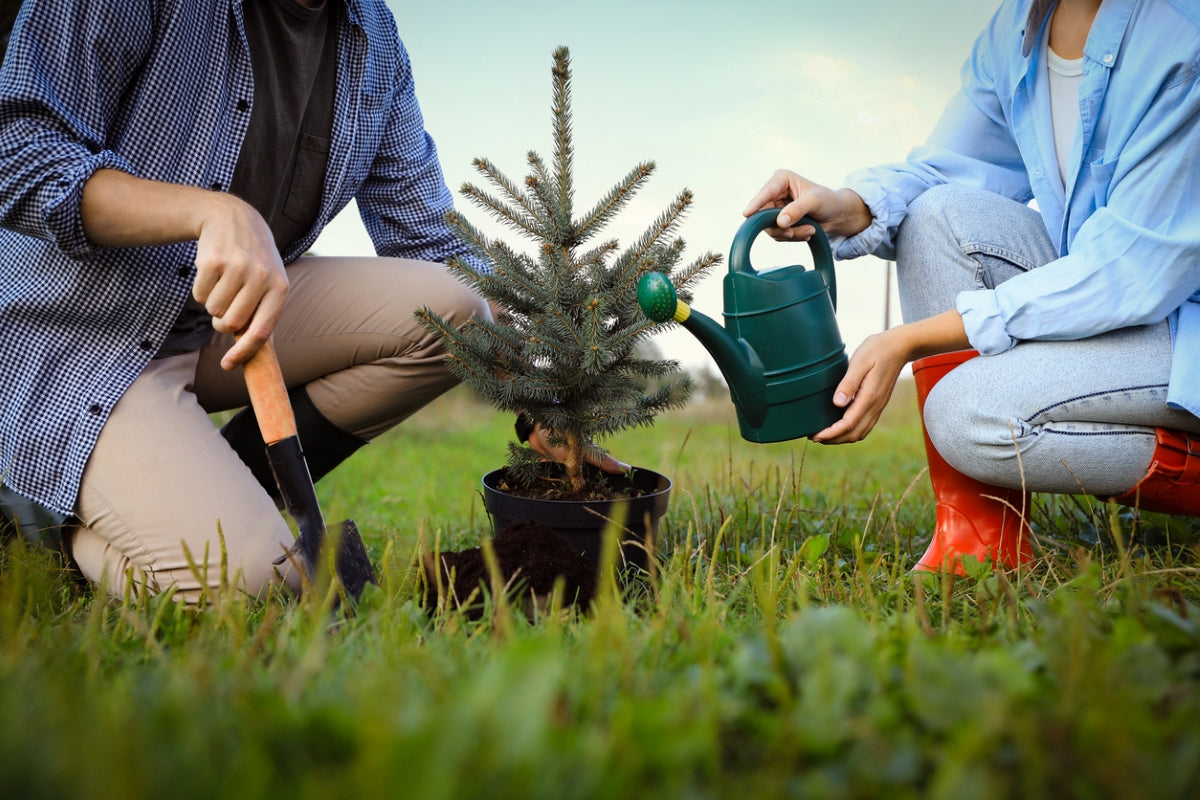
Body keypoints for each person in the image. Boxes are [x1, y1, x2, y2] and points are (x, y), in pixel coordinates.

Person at [0, 0, 620, 603]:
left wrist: (541, 401)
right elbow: (17, 148)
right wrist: (211, 212)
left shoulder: (371, 35)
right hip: (80, 334)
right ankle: (48, 519)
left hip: (226, 326)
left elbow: (431, 241)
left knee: (454, 309)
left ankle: (208, 486)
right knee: (258, 588)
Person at [744, 0, 1200, 573]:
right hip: (1124, 305)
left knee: (966, 413)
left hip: (1181, 324)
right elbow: (948, 170)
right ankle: (979, 544)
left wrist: (910, 340)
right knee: (939, 215)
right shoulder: (1017, 31)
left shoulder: (1183, 35)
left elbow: (1130, 270)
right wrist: (845, 206)